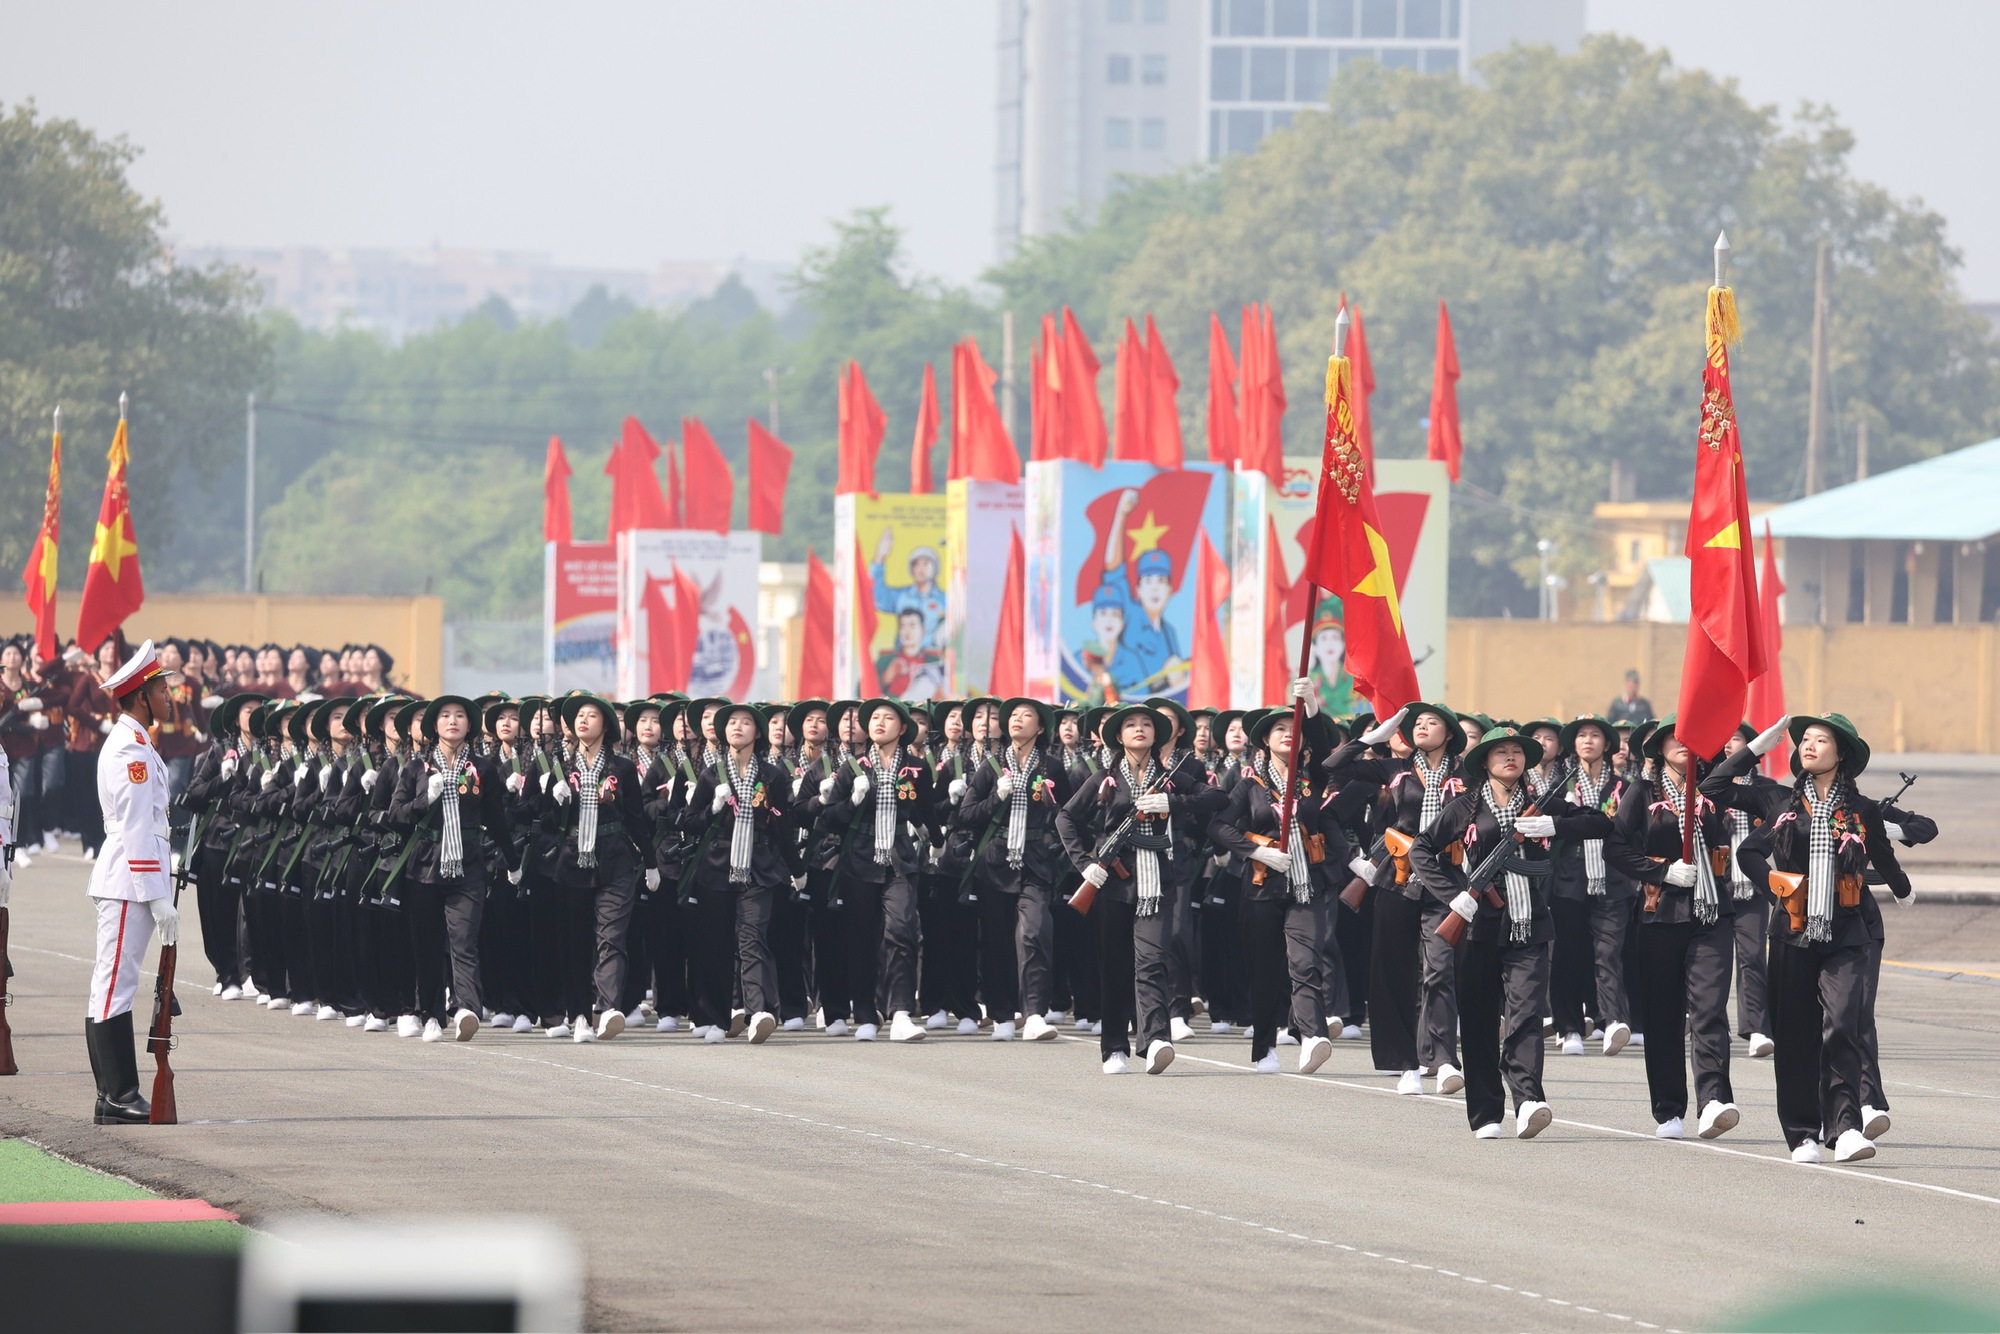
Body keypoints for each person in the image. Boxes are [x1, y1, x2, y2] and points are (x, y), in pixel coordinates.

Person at [1724, 713, 1910, 1164]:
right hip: (1792, 931)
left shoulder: (1861, 809)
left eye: (1821, 740)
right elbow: (1735, 826)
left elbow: (1882, 855)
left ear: (1841, 753)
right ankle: (1803, 1133)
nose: (1808, 745)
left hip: (1846, 931)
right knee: (1795, 1035)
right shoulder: (1780, 802)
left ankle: (1845, 1128)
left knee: (1844, 1023)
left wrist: (1903, 889)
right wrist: (1756, 748)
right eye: (1804, 739)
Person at [1410, 726, 1610, 1140]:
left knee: (1526, 1013)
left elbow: (1601, 823)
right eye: (1500, 751)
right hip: (1477, 925)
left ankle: (1528, 1098)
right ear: (1485, 761)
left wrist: (1554, 825)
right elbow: (1421, 849)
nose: (1510, 757)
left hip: (1529, 923)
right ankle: (1486, 1112)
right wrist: (1453, 896)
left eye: (1517, 751)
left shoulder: (1542, 805)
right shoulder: (1465, 807)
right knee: (1480, 1021)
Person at [1208, 684, 1364, 1075]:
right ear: (1264, 740)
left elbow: (1325, 747)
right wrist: (1255, 851)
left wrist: (1310, 705)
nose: (1287, 734)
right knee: (1265, 970)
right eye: (1279, 729)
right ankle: (1264, 1047)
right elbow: (1219, 826)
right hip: (1262, 888)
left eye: (1293, 729)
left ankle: (1311, 1035)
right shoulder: (1249, 786)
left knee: (1306, 961)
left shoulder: (1312, 779)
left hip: (1308, 885)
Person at [1328, 702, 1468, 1097]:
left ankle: (1442, 1058)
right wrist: (1372, 738)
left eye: (1432, 722)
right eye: (1417, 722)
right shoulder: (1395, 770)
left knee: (1439, 969)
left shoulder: (1466, 776)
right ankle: (1406, 1063)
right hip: (1398, 879)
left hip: (1445, 880)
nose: (1422, 727)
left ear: (1449, 733)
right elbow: (1334, 766)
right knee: (1395, 971)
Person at [1613, 715, 1742, 1141]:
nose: (1684, 743)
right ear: (1660, 747)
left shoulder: (1713, 789)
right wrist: (1661, 871)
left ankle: (1714, 1099)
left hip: (1712, 913)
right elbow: (1616, 847)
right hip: (1660, 913)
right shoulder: (1641, 792)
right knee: (1664, 1014)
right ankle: (1669, 1108)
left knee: (1708, 1008)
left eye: (1691, 736)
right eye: (1675, 737)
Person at [1055, 703, 1185, 1076]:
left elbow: (1215, 800)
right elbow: (1066, 817)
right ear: (1118, 735)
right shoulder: (1104, 779)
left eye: (1147, 724)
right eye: (1130, 724)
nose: (1139, 728)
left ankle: (1155, 1039)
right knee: (1114, 966)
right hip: (1114, 883)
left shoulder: (1172, 777)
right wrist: (1085, 863)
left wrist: (1172, 802)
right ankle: (1114, 1046)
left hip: (1156, 884)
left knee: (1152, 961)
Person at [82, 639, 178, 1124]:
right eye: (162, 691)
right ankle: (118, 1094)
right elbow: (138, 828)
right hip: (129, 881)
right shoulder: (129, 749)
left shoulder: (138, 743)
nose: (169, 698)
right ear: (142, 696)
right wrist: (157, 895)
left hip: (132, 879)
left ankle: (113, 1095)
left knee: (114, 982)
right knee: (114, 985)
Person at [955, 697, 1074, 1042]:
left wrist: (1056, 826)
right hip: (994, 863)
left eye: (1027, 715)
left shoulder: (1052, 767)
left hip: (1036, 862)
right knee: (996, 941)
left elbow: (1070, 815)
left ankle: (1034, 1013)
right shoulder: (991, 766)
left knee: (1035, 932)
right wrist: (996, 797)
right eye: (1014, 715)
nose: (1018, 719)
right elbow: (966, 814)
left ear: (1041, 727)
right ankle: (1002, 1014)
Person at [817, 699, 935, 1043]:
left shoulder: (916, 768)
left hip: (900, 859)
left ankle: (900, 1013)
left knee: (901, 930)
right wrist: (851, 802)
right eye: (874, 718)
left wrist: (937, 842)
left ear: (903, 728)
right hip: (859, 860)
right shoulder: (853, 767)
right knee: (861, 938)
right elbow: (828, 819)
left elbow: (926, 812)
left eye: (888, 718)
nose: (880, 723)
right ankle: (866, 1014)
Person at [685, 702, 799, 1045]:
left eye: (746, 722)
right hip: (717, 867)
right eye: (732, 722)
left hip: (758, 866)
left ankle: (759, 1010)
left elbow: (782, 826)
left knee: (753, 937)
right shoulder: (711, 774)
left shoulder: (773, 775)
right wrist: (713, 808)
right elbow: (690, 822)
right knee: (716, 943)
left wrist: (797, 869)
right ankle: (716, 1018)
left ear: (757, 732)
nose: (737, 727)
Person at [870, 528, 947, 649]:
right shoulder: (902, 596)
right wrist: (879, 558)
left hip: (933, 657)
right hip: (903, 657)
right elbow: (876, 598)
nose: (921, 568)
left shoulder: (945, 600)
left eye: (926, 563)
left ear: (935, 568)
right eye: (916, 564)